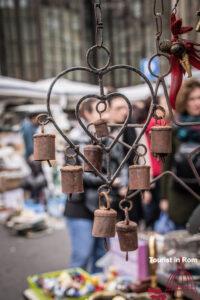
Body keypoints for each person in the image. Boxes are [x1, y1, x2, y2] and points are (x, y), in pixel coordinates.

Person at [64, 98, 106, 273]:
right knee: (81, 256)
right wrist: (109, 179)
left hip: (102, 206)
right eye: (99, 110)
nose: (105, 115)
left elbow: (118, 167)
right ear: (87, 114)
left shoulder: (108, 137)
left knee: (100, 257)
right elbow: (76, 174)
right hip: (80, 206)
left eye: (106, 110)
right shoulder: (74, 139)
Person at [160, 79, 200, 228]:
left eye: (199, 98)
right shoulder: (175, 128)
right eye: (192, 98)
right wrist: (163, 197)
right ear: (185, 101)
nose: (197, 103)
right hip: (180, 194)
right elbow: (166, 165)